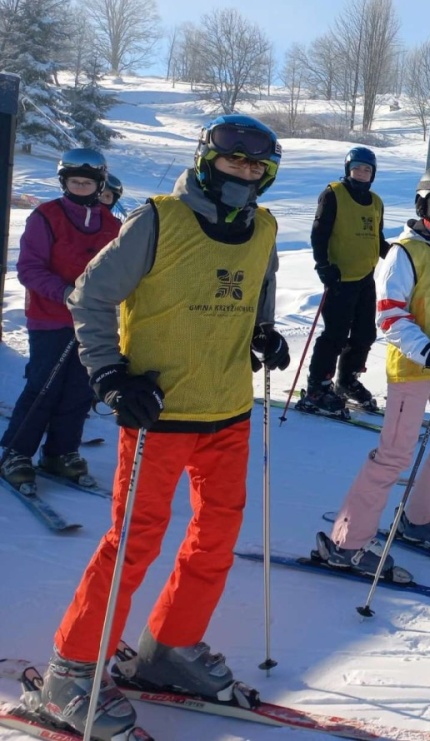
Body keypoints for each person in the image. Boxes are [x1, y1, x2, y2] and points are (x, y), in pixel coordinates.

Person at [27, 114, 289, 739]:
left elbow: (260, 287)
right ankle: (72, 669)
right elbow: (88, 296)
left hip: (227, 408)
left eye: (256, 165)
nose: (245, 172)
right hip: (157, 412)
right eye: (234, 160)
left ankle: (169, 648)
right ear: (207, 160)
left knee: (216, 537)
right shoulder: (159, 220)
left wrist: (262, 331)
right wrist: (111, 375)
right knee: (134, 541)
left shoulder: (266, 226)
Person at [319, 166, 430, 573]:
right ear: (426, 203)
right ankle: (348, 541)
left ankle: (421, 520)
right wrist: (429, 352)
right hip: (414, 367)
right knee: (395, 454)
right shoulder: (404, 253)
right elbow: (391, 316)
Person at [0, 149, 122, 494]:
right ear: (64, 182)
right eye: (74, 182)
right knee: (45, 385)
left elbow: (120, 270)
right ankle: (16, 453)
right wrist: (68, 293)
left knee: (80, 389)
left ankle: (60, 452)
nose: (80, 188)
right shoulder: (46, 216)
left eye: (87, 183)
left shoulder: (112, 225)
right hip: (50, 317)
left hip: (93, 322)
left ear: (99, 185)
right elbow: (29, 268)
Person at [299, 146, 390, 416]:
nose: (361, 173)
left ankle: (346, 380)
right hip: (339, 278)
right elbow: (319, 234)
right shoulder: (333, 194)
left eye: (367, 169)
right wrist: (323, 265)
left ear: (373, 173)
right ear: (347, 169)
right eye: (357, 168)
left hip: (365, 278)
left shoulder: (375, 201)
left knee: (365, 334)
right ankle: (318, 385)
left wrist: (399, 255)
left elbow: (377, 238)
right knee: (335, 335)